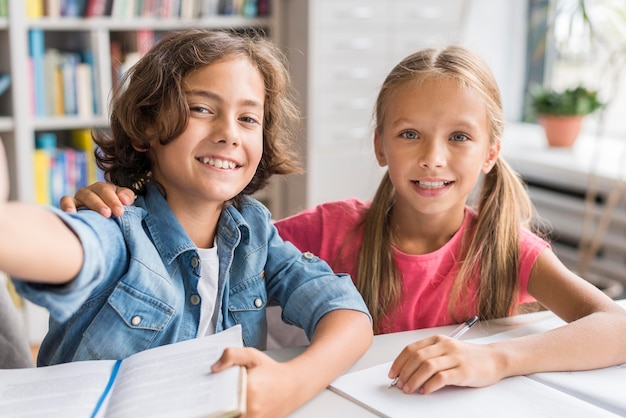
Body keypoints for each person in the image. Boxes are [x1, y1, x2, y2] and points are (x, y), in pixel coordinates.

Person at [62, 45, 626, 396]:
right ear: (380, 145)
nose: (433, 157)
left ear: (490, 151)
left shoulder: (506, 246)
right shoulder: (336, 228)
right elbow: (210, 248)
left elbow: (616, 327)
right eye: (410, 134)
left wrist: (497, 359)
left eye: (459, 137)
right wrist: (123, 198)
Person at [0, 30, 373, 417]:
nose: (229, 133)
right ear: (147, 126)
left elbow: (345, 311)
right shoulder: (120, 225)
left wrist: (292, 384)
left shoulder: (254, 232)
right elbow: (69, 246)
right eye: (201, 109)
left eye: (248, 118)